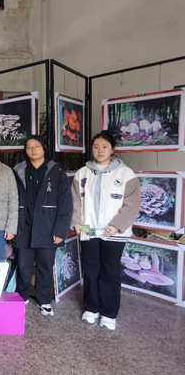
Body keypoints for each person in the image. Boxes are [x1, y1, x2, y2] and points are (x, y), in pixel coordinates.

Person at [71, 131, 141, 330]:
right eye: (96, 147)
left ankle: (109, 313)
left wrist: (117, 225)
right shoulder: (82, 173)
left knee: (110, 271)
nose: (100, 151)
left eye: (104, 147)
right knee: (90, 269)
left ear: (112, 149)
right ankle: (91, 308)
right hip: (88, 230)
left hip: (115, 232)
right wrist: (77, 222)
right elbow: (75, 201)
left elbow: (132, 204)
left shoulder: (126, 174)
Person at [13, 135, 72, 316]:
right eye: (29, 146)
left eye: (36, 146)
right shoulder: (18, 170)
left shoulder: (56, 171)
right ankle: (22, 296)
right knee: (23, 265)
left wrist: (60, 230)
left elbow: (66, 204)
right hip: (24, 226)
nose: (33, 150)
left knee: (45, 266)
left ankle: (44, 300)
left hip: (48, 227)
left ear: (44, 148)